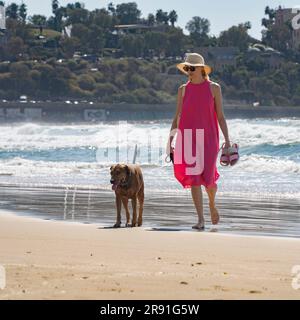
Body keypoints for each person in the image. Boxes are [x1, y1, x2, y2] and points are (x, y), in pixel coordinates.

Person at [166, 53, 231, 230]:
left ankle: (211, 204)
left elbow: (221, 117)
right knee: (194, 179)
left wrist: (227, 139)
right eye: (187, 68)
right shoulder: (183, 90)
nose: (189, 71)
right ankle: (200, 219)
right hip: (187, 138)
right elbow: (177, 117)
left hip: (209, 138)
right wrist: (170, 140)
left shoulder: (214, 88)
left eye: (192, 68)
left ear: (202, 69)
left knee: (208, 179)